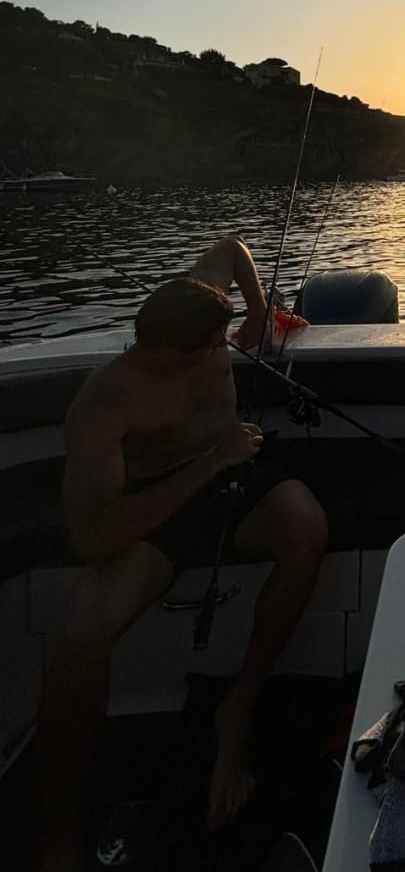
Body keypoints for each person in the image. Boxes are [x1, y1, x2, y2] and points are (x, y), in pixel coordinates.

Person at [36, 236, 328, 872]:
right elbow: (90, 537)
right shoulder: (104, 403)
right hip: (157, 507)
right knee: (82, 640)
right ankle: (57, 825)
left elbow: (229, 248)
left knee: (307, 529)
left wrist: (255, 312)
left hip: (235, 476)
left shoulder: (203, 310)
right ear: (171, 351)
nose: (223, 355)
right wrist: (211, 464)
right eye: (215, 349)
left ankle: (237, 708)